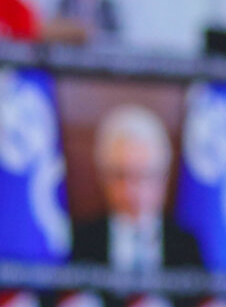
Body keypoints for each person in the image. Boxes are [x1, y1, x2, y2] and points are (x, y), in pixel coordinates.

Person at [70, 104, 204, 274]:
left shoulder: (186, 246)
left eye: (145, 176)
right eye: (121, 176)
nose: (132, 190)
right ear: (103, 177)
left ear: (164, 178)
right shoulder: (81, 243)